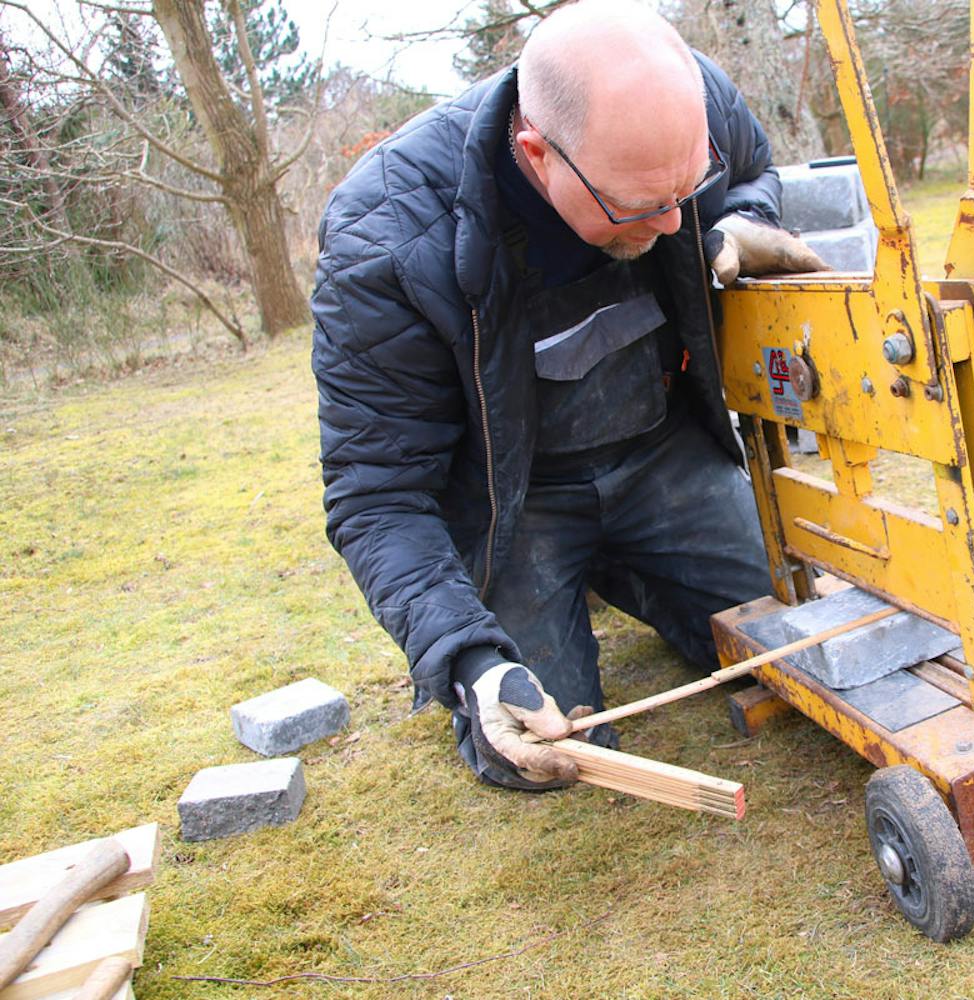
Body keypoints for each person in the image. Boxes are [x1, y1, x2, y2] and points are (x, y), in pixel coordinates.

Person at [310, 0, 825, 790]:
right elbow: (376, 495)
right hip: (514, 505)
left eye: (687, 189)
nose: (672, 223)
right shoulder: (387, 240)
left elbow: (750, 173)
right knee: (544, 744)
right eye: (639, 205)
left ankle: (629, 564)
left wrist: (740, 220)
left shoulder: (689, 102)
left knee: (804, 635)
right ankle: (566, 578)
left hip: (662, 455)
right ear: (535, 152)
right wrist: (470, 662)